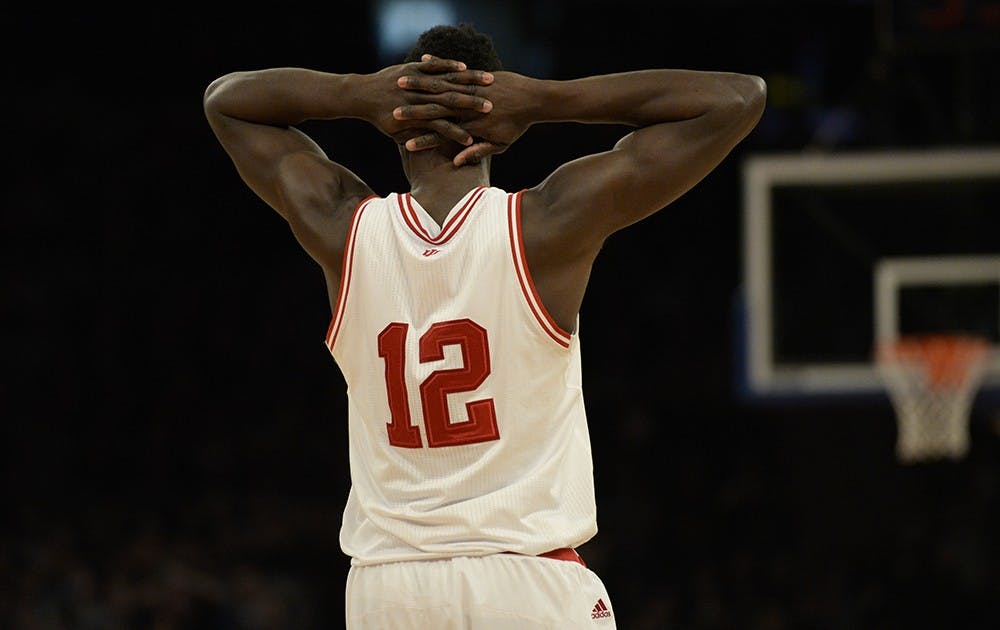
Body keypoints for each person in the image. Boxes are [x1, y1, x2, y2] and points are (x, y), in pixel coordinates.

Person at [204, 22, 765, 629]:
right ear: (497, 124)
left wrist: (356, 94)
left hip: (387, 589)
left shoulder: (343, 230)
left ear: (398, 124)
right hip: (525, 578)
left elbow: (227, 103)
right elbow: (737, 98)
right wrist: (546, 101)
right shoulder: (546, 226)